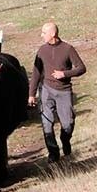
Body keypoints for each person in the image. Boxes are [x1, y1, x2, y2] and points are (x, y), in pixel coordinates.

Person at [28, 23, 86, 163]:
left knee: (68, 125)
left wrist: (65, 74)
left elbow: (81, 68)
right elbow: (36, 73)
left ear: (52, 34)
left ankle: (65, 142)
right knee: (47, 124)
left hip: (64, 92)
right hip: (46, 90)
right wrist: (31, 94)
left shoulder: (68, 49)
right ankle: (53, 154)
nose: (41, 35)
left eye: (43, 32)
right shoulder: (41, 51)